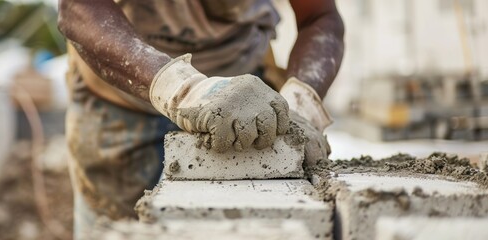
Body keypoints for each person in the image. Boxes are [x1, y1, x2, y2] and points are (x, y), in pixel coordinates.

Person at [57, 0, 344, 238]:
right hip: (121, 97)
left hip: (244, 99)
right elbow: (78, 8)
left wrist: (300, 105)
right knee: (116, 230)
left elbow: (319, 17)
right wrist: (184, 90)